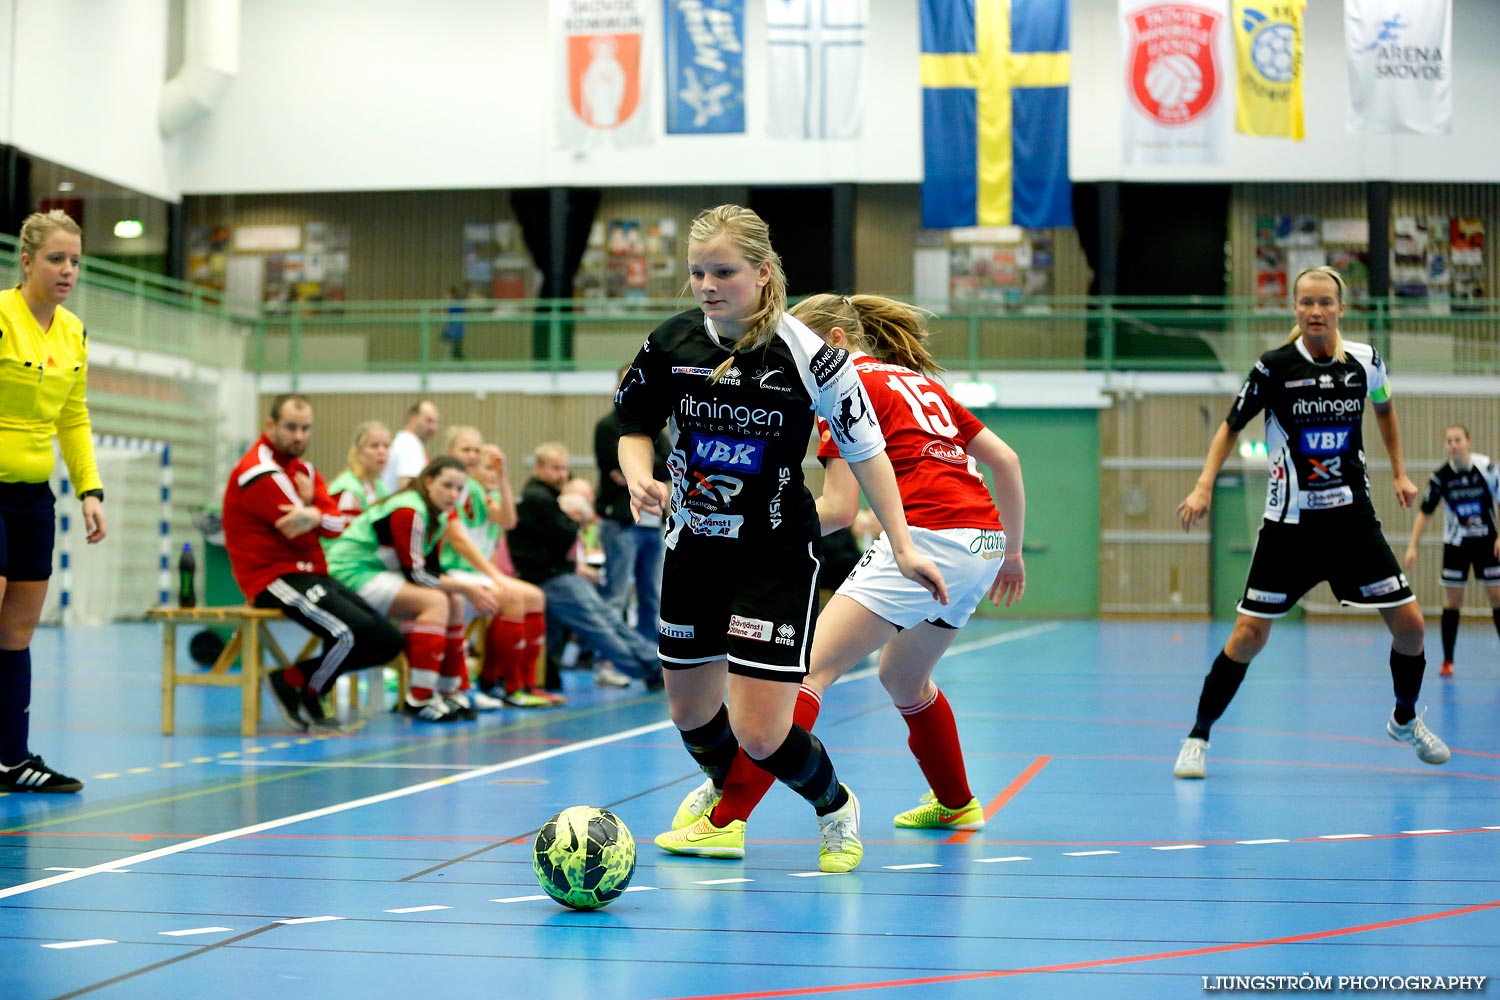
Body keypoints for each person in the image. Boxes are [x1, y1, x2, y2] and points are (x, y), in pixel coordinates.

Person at [616, 204, 947, 872]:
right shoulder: (672, 343)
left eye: (725, 271)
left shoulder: (815, 360)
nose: (708, 284)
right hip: (691, 549)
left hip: (773, 555)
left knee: (761, 731)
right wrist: (638, 479)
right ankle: (720, 784)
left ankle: (834, 806)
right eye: (698, 272)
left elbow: (868, 454)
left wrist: (905, 544)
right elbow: (634, 427)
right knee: (689, 715)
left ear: (764, 273)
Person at [659, 293, 1026, 844]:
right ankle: (956, 803)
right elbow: (1006, 460)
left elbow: (837, 510)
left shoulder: (840, 385)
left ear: (832, 341)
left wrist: (747, 539)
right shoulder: (915, 381)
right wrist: (1013, 554)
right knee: (904, 677)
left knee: (808, 672)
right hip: (982, 542)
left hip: (926, 537)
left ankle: (725, 820)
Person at [1173, 265, 1449, 779]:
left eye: (1325, 302)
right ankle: (1198, 736)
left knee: (1410, 626)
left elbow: (1385, 409)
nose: (1315, 311)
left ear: (1341, 309)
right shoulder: (1273, 367)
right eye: (1306, 303)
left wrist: (1401, 473)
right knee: (1248, 637)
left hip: (1353, 524)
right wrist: (1204, 485)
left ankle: (1405, 719)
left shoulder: (1366, 362)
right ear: (1295, 310)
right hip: (1290, 529)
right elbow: (1230, 428)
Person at [222, 395, 404, 731]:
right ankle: (313, 690)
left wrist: (314, 513)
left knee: (388, 641)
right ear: (271, 426)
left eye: (305, 428)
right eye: (291, 427)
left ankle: (291, 679)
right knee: (347, 634)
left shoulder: (304, 470)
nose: (299, 436)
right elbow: (298, 529)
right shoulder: (258, 472)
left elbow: (340, 526)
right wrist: (317, 515)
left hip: (313, 573)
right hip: (274, 577)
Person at [0, 210, 102, 792]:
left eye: (75, 262)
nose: (67, 271)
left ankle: (11, 760)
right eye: (56, 259)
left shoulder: (73, 331)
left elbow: (73, 415)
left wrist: (90, 489)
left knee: (16, 633)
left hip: (33, 499)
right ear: (28, 261)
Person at [325, 455, 502, 722]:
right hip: (348, 574)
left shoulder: (436, 515)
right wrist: (469, 588)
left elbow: (431, 570)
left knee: (451, 600)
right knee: (435, 602)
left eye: (458, 488)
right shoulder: (410, 510)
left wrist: (462, 589)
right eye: (447, 485)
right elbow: (417, 575)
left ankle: (448, 691)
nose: (453, 494)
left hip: (378, 574)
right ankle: (419, 697)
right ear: (428, 482)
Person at [507, 443, 663, 689]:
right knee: (599, 625)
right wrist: (573, 521)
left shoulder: (548, 497)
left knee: (607, 620)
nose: (561, 474)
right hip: (548, 579)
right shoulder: (537, 498)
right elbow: (564, 535)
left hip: (561, 574)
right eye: (555, 468)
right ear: (539, 468)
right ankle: (650, 668)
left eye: (564, 469)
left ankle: (653, 663)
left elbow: (562, 539)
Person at [440, 426, 551, 708]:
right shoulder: (448, 488)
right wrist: (496, 577)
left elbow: (509, 520)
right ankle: (499, 683)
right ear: (450, 452)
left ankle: (524, 683)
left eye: (477, 450)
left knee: (535, 597)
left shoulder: (475, 490)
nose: (473, 456)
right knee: (511, 597)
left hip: (470, 572)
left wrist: (502, 476)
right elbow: (458, 541)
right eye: (466, 449)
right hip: (449, 570)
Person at [1403, 425, 1500, 678]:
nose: (1453, 444)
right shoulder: (1441, 477)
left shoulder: (1486, 468)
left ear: (1468, 442)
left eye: (1457, 439)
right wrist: (1413, 546)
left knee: (1497, 596)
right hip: (1457, 545)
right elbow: (1425, 512)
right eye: (1449, 441)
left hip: (1487, 542)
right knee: (1453, 601)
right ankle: (1448, 660)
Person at [594, 365, 670, 646]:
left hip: (651, 523)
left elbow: (670, 466)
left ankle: (650, 656)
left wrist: (640, 472)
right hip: (621, 523)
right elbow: (617, 471)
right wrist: (642, 472)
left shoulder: (653, 427)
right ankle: (608, 660)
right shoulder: (607, 427)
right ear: (619, 387)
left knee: (652, 594)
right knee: (617, 594)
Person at [325, 420, 391, 521]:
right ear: (358, 452)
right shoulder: (349, 490)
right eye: (374, 446)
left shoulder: (380, 486)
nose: (382, 451)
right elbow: (346, 534)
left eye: (386, 446)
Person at [382, 400, 439, 494]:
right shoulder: (408, 445)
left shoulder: (411, 443)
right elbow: (408, 486)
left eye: (435, 422)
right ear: (413, 418)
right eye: (428, 421)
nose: (432, 427)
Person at [441, 286, 466, 361]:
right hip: (454, 328)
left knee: (454, 347)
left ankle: (452, 362)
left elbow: (449, 316)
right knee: (452, 347)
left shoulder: (456, 304)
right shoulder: (454, 304)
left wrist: (446, 327)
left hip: (454, 328)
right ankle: (450, 361)